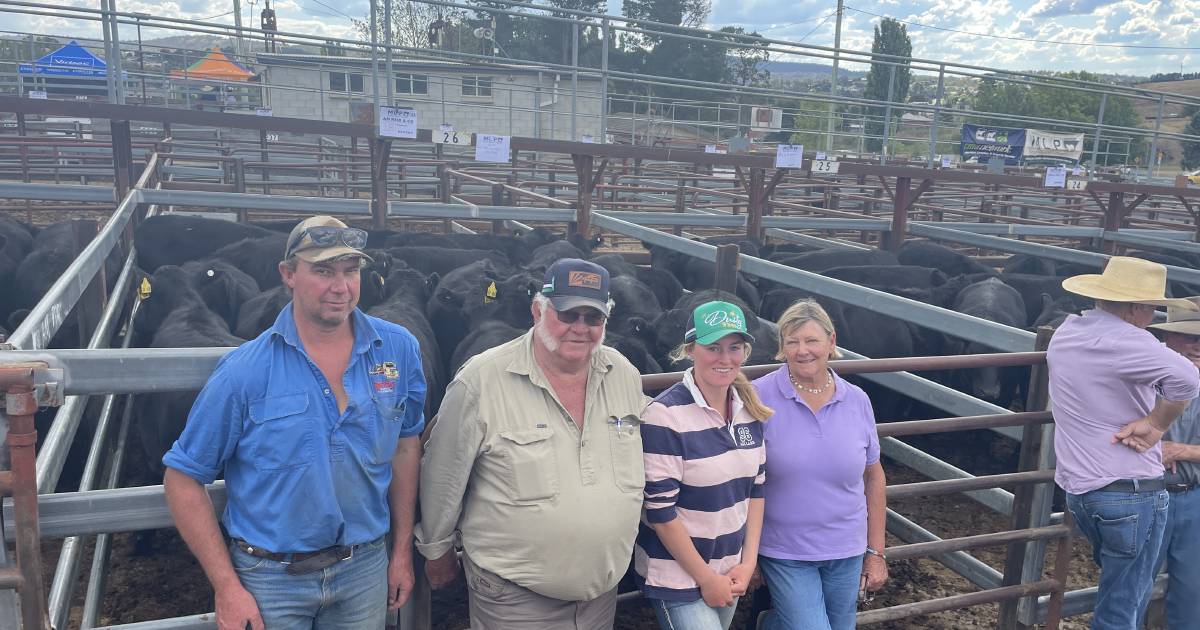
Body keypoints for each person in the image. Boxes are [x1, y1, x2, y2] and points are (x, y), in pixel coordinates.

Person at [162, 216, 427, 630]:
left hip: (365, 567)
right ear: (288, 274)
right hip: (270, 580)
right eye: (322, 270)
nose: (340, 287)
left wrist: (401, 552)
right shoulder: (244, 371)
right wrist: (227, 587)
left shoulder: (398, 349)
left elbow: (407, 443)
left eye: (350, 271)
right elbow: (182, 478)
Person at [415, 258, 648, 629]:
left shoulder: (623, 373)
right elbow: (444, 472)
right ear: (538, 310)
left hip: (601, 599)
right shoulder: (482, 379)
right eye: (568, 314)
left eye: (593, 318)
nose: (580, 328)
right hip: (514, 600)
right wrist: (436, 549)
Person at [1048, 256, 1199, 629]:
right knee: (1122, 608)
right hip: (1133, 490)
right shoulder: (1131, 341)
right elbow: (1188, 379)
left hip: (1082, 490)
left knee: (1122, 592)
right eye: (1151, 309)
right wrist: (1156, 423)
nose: (1151, 318)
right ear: (1136, 308)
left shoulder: (1069, 331)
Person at [751, 298, 887, 630]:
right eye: (792, 341)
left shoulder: (856, 399)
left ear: (831, 341)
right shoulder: (757, 396)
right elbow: (741, 479)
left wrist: (876, 552)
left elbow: (873, 475)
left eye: (811, 340)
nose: (802, 350)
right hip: (785, 549)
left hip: (847, 547)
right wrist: (747, 555)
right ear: (782, 346)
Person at [635, 301, 770, 630]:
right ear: (690, 350)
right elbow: (661, 513)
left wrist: (748, 562)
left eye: (734, 347)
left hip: (729, 570)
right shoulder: (664, 415)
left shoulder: (749, 410)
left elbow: (756, 491)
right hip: (679, 575)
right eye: (713, 348)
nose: (725, 359)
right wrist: (706, 578)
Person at [1145, 299, 1200, 629]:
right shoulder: (1143, 378)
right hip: (1144, 495)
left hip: (1193, 497)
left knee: (1192, 592)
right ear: (1168, 338)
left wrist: (1178, 450)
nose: (1198, 344)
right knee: (1132, 588)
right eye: (1189, 336)